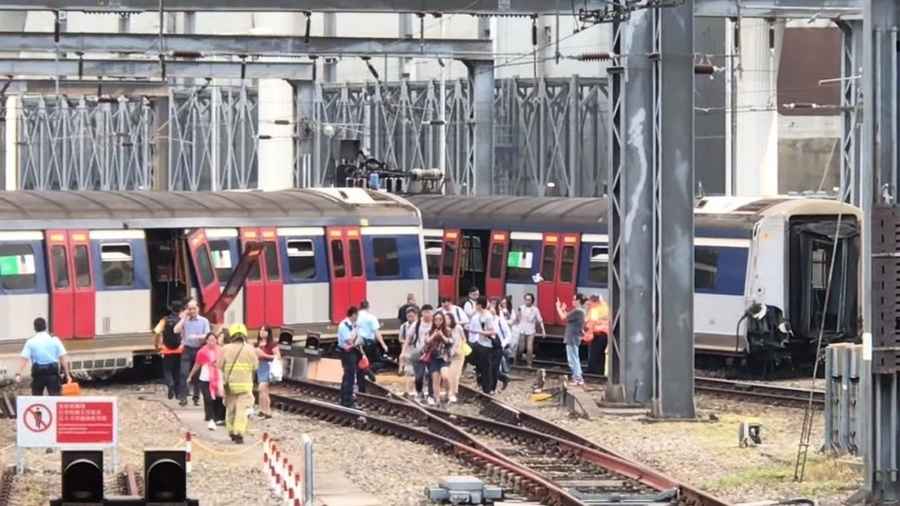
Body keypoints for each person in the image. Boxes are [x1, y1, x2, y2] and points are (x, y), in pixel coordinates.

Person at [217, 323, 258, 444]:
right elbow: (255, 367)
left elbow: (219, 366)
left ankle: (231, 431)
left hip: (229, 385)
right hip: (245, 385)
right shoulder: (250, 349)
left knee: (231, 409)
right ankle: (238, 432)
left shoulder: (225, 349)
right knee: (242, 409)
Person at [16, 317, 71, 395]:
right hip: (53, 373)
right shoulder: (55, 340)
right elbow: (63, 358)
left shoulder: (30, 342)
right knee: (54, 398)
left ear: (34, 328)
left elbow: (24, 359)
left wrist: (18, 373)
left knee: (37, 399)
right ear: (46, 327)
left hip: (38, 373)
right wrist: (67, 375)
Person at [174, 299, 211, 407]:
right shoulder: (185, 320)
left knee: (197, 375)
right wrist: (184, 318)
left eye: (194, 308)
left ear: (198, 309)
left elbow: (208, 334)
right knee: (183, 373)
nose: (192, 311)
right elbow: (175, 330)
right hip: (187, 349)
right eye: (190, 309)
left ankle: (196, 397)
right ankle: (183, 397)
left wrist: (197, 336)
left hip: (199, 349)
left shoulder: (204, 321)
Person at [187, 332, 225, 430]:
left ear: (216, 340)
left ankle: (218, 417)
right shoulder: (202, 352)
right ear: (206, 341)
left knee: (218, 398)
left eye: (214, 339)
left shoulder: (221, 350)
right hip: (205, 379)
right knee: (208, 398)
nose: (212, 342)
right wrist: (190, 376)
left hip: (218, 378)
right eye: (210, 340)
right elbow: (197, 364)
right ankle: (210, 417)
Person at [153, 301, 184, 400]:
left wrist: (156, 345)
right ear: (180, 310)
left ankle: (170, 384)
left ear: (171, 308)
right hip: (179, 350)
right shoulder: (181, 320)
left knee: (167, 370)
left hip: (167, 350)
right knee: (177, 371)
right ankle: (178, 393)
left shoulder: (164, 320)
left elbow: (156, 332)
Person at [468, 297, 498, 394]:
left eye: (476, 304)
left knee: (486, 368)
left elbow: (493, 331)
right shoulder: (478, 315)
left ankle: (487, 389)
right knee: (480, 366)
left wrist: (479, 332)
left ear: (480, 305)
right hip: (479, 343)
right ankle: (482, 386)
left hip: (487, 345)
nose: (475, 306)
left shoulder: (488, 316)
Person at [557, 294, 587, 386]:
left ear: (578, 301)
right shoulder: (579, 311)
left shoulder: (578, 311)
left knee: (573, 359)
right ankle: (578, 377)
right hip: (574, 337)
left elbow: (563, 317)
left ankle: (577, 378)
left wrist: (558, 307)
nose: (572, 301)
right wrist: (563, 309)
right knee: (574, 358)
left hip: (572, 338)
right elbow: (567, 316)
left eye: (574, 299)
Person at [423, 312, 453, 405]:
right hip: (433, 358)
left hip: (444, 358)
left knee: (445, 377)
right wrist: (434, 335)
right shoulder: (430, 331)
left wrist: (442, 336)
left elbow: (451, 341)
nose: (438, 321)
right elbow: (426, 341)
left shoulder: (448, 330)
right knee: (435, 379)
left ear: (443, 320)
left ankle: (448, 394)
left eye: (440, 319)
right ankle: (437, 400)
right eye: (436, 319)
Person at [337, 306, 364, 408]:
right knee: (349, 376)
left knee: (349, 376)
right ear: (353, 315)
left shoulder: (354, 325)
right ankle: (347, 400)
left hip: (353, 351)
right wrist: (356, 340)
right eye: (357, 315)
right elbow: (349, 341)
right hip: (347, 352)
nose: (358, 317)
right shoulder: (344, 325)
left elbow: (359, 339)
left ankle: (345, 398)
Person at [410, 305, 435, 402]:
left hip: (432, 353)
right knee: (419, 376)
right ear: (422, 313)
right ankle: (419, 392)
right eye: (425, 312)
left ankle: (430, 395)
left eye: (429, 312)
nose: (428, 314)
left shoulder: (435, 323)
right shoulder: (417, 324)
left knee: (432, 374)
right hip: (419, 352)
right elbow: (409, 338)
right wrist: (403, 352)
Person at [255, 325, 280, 419]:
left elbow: (278, 356)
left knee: (262, 388)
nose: (262, 332)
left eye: (264, 331)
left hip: (268, 367)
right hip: (259, 367)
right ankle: (262, 410)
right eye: (261, 330)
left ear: (269, 333)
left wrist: (265, 355)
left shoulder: (272, 344)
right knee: (262, 390)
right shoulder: (258, 343)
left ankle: (267, 410)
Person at [357, 300, 388, 372]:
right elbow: (377, 332)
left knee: (361, 360)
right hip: (369, 343)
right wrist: (383, 345)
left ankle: (362, 370)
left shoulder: (355, 317)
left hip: (358, 342)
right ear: (368, 307)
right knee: (380, 361)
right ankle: (369, 369)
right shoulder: (371, 317)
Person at [515, 293, 545, 367]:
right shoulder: (521, 307)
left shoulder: (535, 309)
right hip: (522, 330)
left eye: (529, 300)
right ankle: (517, 360)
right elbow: (517, 319)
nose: (527, 301)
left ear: (532, 301)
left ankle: (529, 364)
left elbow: (540, 320)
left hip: (531, 331)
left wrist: (543, 330)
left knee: (529, 348)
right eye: (526, 299)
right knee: (521, 348)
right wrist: (518, 315)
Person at [586, 294, 610, 374]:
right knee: (601, 355)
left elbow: (593, 322)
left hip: (597, 334)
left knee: (594, 354)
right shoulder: (606, 307)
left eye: (590, 302)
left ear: (594, 301)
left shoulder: (595, 309)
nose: (589, 303)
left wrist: (589, 333)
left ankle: (592, 371)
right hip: (605, 334)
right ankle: (600, 372)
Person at [445, 312, 466, 403]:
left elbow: (464, 338)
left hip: (458, 354)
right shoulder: (444, 329)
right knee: (447, 374)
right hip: (448, 354)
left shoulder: (458, 327)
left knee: (455, 374)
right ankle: (448, 392)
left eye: (447, 319)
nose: (446, 321)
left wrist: (461, 347)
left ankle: (453, 393)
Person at [398, 306, 419, 395]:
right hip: (407, 349)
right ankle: (407, 389)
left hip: (417, 349)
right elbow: (400, 339)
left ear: (416, 316)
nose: (410, 317)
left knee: (416, 371)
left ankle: (414, 389)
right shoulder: (404, 326)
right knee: (408, 371)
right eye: (408, 316)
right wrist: (407, 342)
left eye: (412, 316)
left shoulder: (419, 325)